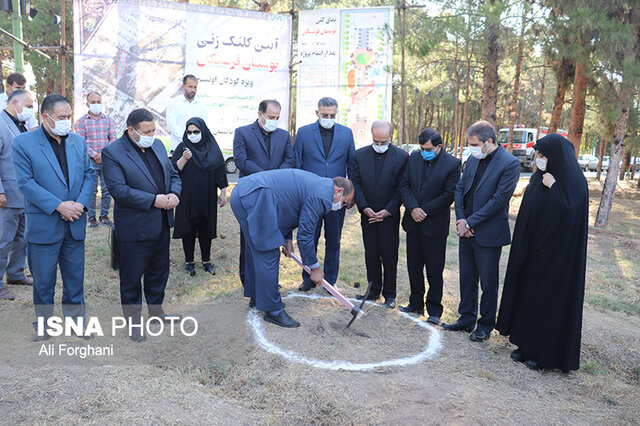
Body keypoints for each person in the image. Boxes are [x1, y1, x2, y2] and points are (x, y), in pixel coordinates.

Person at [496, 134, 588, 372]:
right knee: (528, 298)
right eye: (538, 155)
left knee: (548, 303)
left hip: (558, 258)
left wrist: (555, 188)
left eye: (543, 155)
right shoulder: (537, 180)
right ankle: (524, 345)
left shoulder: (574, 181)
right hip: (533, 252)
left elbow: (568, 213)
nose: (539, 160)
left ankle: (543, 353)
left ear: (557, 157)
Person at [11, 95, 95, 340]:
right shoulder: (24, 143)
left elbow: (89, 175)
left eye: (69, 117)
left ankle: (77, 324)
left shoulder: (78, 143)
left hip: (74, 224)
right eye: (62, 118)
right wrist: (59, 206)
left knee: (74, 280)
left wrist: (79, 204)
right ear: (45, 117)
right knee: (43, 282)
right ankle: (45, 326)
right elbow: (26, 183)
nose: (67, 122)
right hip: (44, 225)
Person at [230, 168, 354, 327]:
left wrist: (287, 239)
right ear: (339, 190)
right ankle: (273, 311)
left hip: (247, 193)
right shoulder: (322, 195)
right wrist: (314, 267)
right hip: (254, 196)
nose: (341, 206)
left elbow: (289, 206)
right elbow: (305, 236)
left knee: (257, 249)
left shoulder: (320, 186)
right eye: (344, 202)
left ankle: (258, 297)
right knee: (268, 253)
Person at [102, 109, 182, 342]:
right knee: (132, 277)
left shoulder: (157, 146)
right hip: (135, 228)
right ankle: (133, 323)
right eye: (147, 132)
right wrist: (153, 200)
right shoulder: (113, 152)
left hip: (161, 223)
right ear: (131, 130)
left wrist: (175, 194)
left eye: (154, 130)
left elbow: (173, 173)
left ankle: (156, 312)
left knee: (159, 272)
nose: (152, 135)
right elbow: (119, 190)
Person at [443, 120, 520, 342]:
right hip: (465, 228)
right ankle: (466, 318)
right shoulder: (473, 159)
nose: (472, 148)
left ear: (489, 141)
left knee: (488, 281)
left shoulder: (509, 164)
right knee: (467, 277)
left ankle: (485, 325)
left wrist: (471, 223)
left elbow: (499, 200)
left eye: (475, 144)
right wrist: (461, 220)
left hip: (488, 232)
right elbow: (460, 189)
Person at [398, 128, 461, 324]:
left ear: (439, 147)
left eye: (428, 148)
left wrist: (423, 211)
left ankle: (434, 309)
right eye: (422, 147)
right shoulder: (413, 158)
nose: (424, 151)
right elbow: (404, 185)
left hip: (434, 224)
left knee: (434, 269)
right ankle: (415, 303)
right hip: (413, 223)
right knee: (413, 266)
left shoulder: (453, 164)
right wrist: (413, 208)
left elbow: (449, 194)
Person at [294, 97, 356, 291]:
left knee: (333, 239)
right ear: (317, 113)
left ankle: (330, 280)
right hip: (310, 197)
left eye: (332, 115)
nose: (328, 118)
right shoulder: (304, 133)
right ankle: (307, 277)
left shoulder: (346, 133)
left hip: (337, 196)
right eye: (325, 115)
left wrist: (351, 195)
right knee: (309, 237)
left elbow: (351, 165)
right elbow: (296, 164)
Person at [233, 99, 295, 287]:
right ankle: (249, 282)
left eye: (277, 117)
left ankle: (269, 281)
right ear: (260, 115)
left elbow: (290, 160)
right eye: (270, 117)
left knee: (274, 238)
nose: (274, 120)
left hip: (276, 195)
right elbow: (241, 161)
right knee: (251, 239)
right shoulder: (242, 132)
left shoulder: (283, 136)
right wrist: (266, 177)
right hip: (252, 193)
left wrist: (275, 179)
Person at [352, 121, 408, 308]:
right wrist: (364, 207)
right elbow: (356, 182)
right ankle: (373, 290)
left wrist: (388, 210)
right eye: (376, 141)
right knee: (371, 253)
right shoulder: (360, 155)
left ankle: (390, 294)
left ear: (391, 136)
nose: (379, 145)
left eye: (383, 142)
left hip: (388, 214)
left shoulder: (402, 157)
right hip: (367, 213)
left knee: (389, 255)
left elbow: (402, 186)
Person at [172, 117, 228, 276]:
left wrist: (223, 192)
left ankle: (206, 261)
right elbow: (174, 170)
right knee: (187, 229)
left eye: (196, 132)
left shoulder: (212, 147)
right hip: (187, 196)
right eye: (189, 132)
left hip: (207, 195)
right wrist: (184, 158)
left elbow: (219, 170)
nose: (192, 135)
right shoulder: (182, 147)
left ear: (203, 131)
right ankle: (189, 262)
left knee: (205, 228)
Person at [0, 89, 36, 301]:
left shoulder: (21, 125)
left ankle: (15, 273)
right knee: (3, 241)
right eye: (29, 106)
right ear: (15, 102)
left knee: (23, 237)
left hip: (24, 194)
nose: (31, 110)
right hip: (7, 194)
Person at [74, 91, 117, 228]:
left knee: (107, 189)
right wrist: (95, 155)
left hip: (107, 160)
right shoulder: (81, 122)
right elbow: (81, 142)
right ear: (87, 104)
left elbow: (113, 139)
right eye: (93, 102)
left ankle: (104, 216)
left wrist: (103, 154)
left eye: (98, 101)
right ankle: (91, 217)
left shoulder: (109, 120)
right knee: (91, 190)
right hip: (90, 161)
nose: (96, 104)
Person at [166, 75, 208, 152]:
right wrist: (186, 138)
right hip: (178, 146)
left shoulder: (201, 104)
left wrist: (195, 139)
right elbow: (171, 125)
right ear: (183, 86)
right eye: (190, 87)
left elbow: (204, 125)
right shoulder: (174, 103)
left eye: (195, 87)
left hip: (196, 149)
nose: (193, 90)